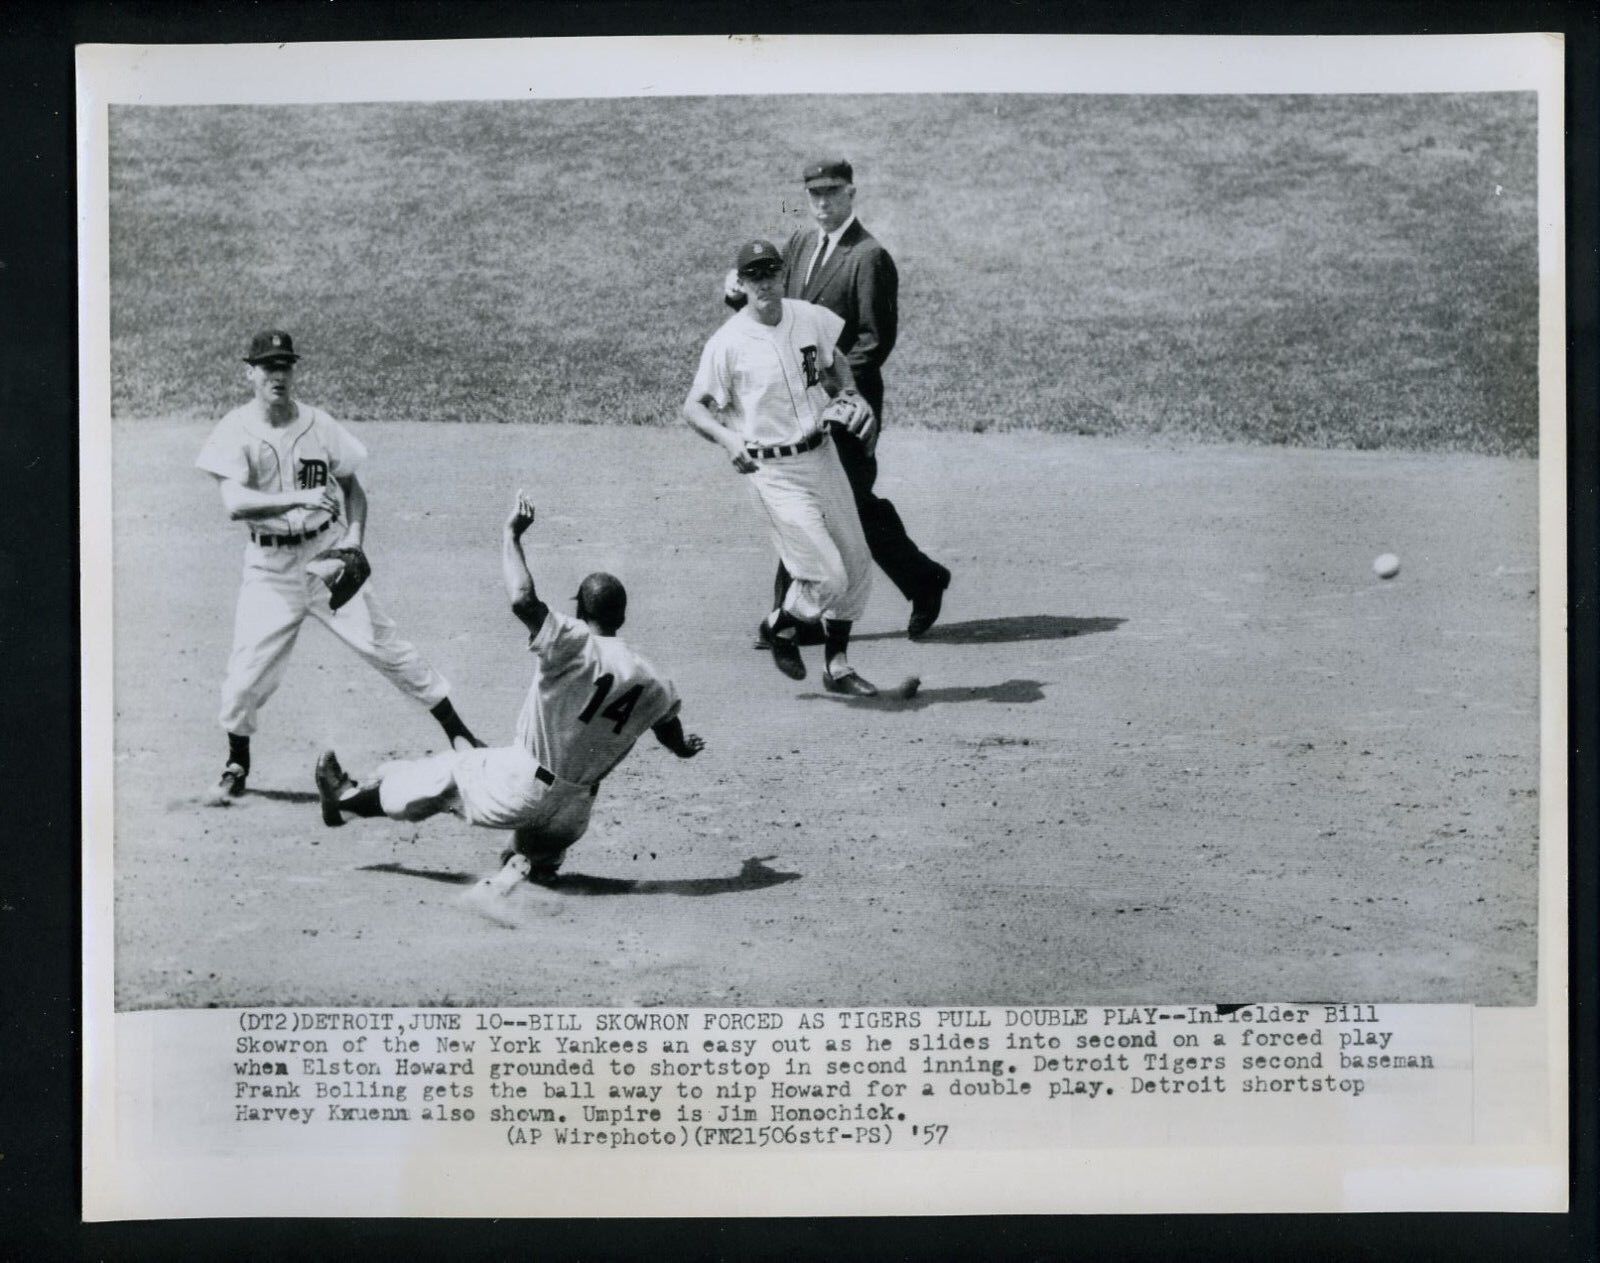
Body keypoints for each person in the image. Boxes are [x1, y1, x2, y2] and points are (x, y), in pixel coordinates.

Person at [314, 490, 702, 894]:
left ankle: (347, 798)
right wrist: (684, 747)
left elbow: (522, 600)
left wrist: (511, 535)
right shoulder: (653, 680)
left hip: (521, 788)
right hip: (573, 816)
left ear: (582, 613)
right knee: (535, 848)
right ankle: (534, 869)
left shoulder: (574, 642)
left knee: (440, 778)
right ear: (621, 616)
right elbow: (671, 733)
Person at [195, 330, 481, 806]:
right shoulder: (234, 430)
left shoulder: (319, 425)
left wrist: (353, 538)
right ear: (250, 373)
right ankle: (236, 762)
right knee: (244, 677)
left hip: (326, 558)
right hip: (270, 570)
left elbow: (353, 489)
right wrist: (300, 497)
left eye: (285, 365)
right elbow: (234, 503)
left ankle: (460, 734)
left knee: (388, 647)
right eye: (268, 367)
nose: (278, 375)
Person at [726, 158, 951, 640]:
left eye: (832, 193)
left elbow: (874, 340)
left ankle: (794, 620)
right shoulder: (803, 244)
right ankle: (921, 578)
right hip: (800, 404)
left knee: (817, 502)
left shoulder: (869, 257)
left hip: (848, 410)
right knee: (831, 503)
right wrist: (737, 294)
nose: (823, 204)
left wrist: (833, 388)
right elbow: (779, 309)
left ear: (852, 193)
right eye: (814, 195)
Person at [688, 238, 879, 697]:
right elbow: (694, 407)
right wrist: (728, 438)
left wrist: (849, 394)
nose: (765, 282)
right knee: (827, 576)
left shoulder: (808, 317)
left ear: (782, 274)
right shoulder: (727, 343)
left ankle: (837, 666)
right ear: (742, 283)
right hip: (773, 473)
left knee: (857, 568)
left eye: (771, 272)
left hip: (823, 455)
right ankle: (781, 624)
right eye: (754, 275)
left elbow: (835, 368)